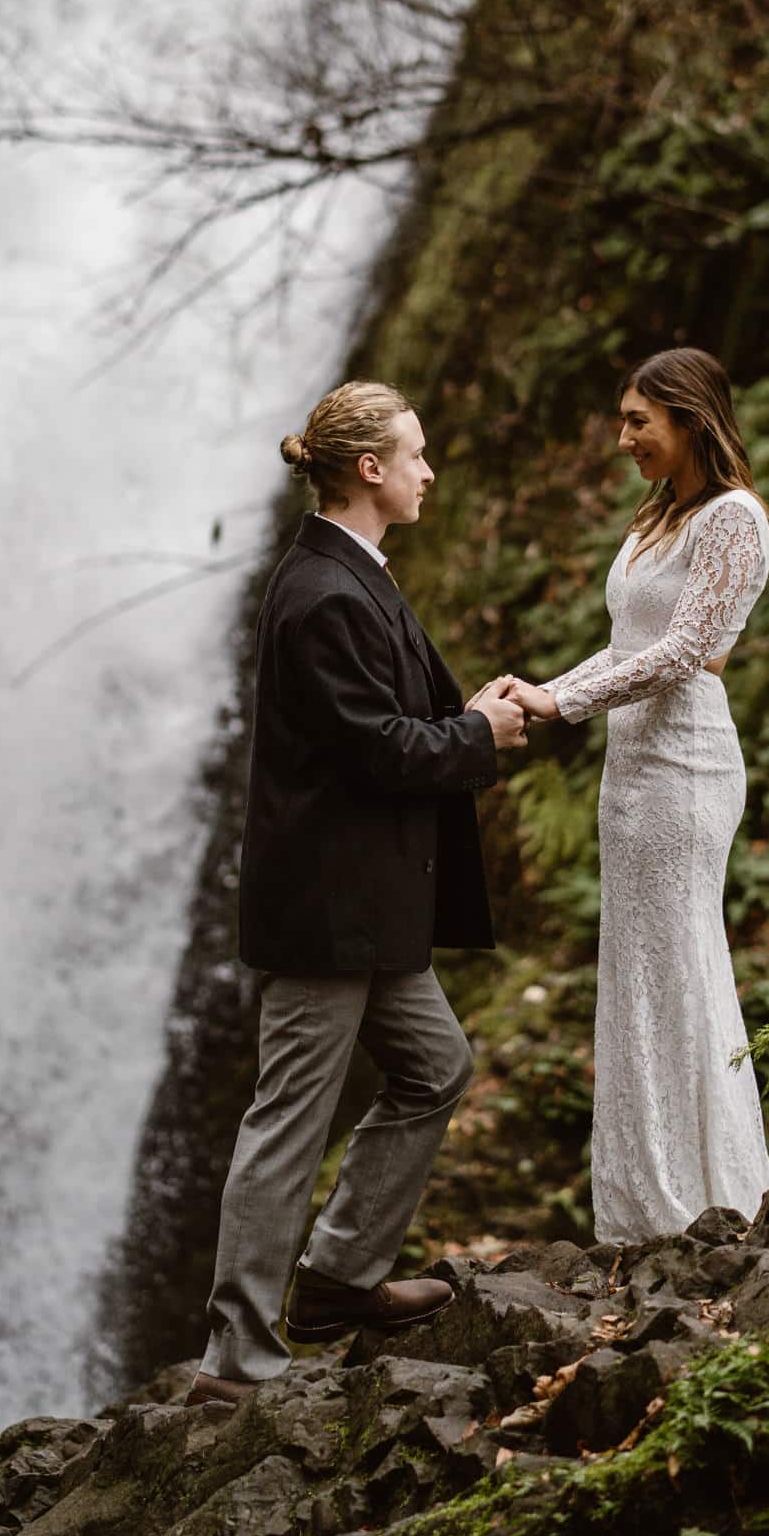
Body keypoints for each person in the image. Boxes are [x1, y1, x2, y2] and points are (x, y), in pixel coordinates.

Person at [187, 380, 526, 1406]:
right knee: (289, 1118)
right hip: (329, 913)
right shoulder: (323, 590)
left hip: (369, 908)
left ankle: (335, 1281)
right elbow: (375, 749)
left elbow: (385, 718)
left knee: (435, 1066)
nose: (431, 471)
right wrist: (476, 737)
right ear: (369, 470)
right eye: (416, 454)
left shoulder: (349, 571)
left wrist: (467, 715)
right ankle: (235, 1361)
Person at [507, 347, 769, 1244]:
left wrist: (562, 702)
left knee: (682, 964)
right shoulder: (659, 516)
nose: (622, 439)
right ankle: (641, 1205)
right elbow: (629, 646)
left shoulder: (733, 519)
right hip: (631, 772)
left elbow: (685, 653)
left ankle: (712, 1195)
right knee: (636, 973)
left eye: (637, 421)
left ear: (691, 418)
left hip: (687, 770)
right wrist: (541, 691)